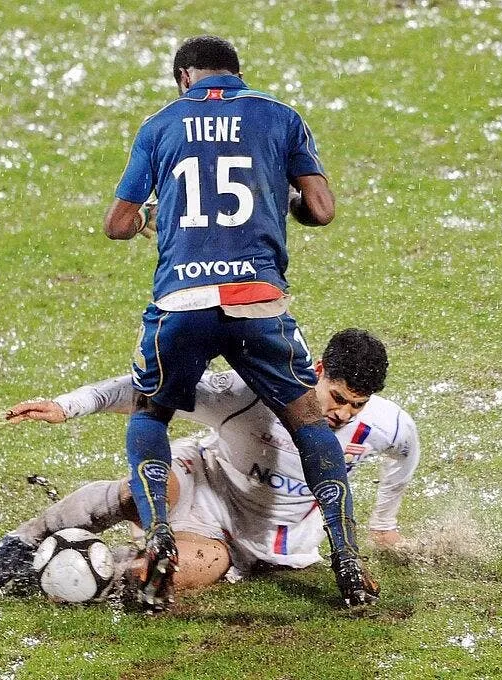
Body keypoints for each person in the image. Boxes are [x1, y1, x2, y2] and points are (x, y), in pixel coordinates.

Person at [101, 35, 372, 608]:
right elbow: (321, 210)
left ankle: (159, 537)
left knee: (151, 414)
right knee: (309, 424)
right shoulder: (280, 116)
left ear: (184, 77)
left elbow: (117, 225)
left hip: (182, 303)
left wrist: (155, 215)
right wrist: (285, 203)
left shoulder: (161, 125)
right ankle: (347, 558)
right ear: (236, 74)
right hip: (259, 304)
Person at [0, 329, 419, 597]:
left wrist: (385, 523)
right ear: (317, 369)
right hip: (201, 483)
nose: (342, 413)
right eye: (337, 397)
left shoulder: (387, 426)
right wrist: (69, 406)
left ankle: (68, 571)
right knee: (139, 494)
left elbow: (404, 456)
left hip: (246, 543)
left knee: (149, 577)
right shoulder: (249, 395)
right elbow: (149, 390)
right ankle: (26, 540)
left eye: (356, 405)